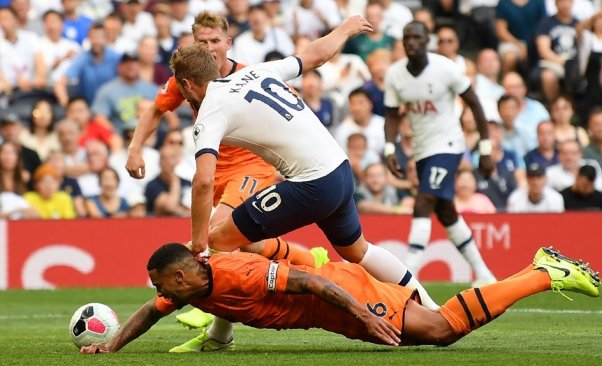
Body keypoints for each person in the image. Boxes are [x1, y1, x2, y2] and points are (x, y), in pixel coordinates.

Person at [170, 17, 440, 322]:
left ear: (187, 84)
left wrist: (199, 241)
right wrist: (345, 29)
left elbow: (204, 181)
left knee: (220, 241)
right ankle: (433, 306)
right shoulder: (258, 71)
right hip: (340, 171)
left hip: (312, 184)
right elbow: (315, 55)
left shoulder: (210, 110)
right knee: (358, 251)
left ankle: (222, 333)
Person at [124, 11, 343, 351]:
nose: (209, 48)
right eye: (202, 41)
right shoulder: (189, 78)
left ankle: (211, 323)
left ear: (228, 43)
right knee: (243, 244)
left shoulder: (247, 76)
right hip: (217, 171)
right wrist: (135, 149)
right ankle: (308, 260)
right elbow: (155, 110)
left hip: (251, 169)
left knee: (215, 237)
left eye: (214, 41)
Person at [79, 243, 601, 354]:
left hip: (340, 295)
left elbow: (315, 284)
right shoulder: (192, 287)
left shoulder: (236, 272)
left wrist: (367, 319)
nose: (157, 290)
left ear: (184, 273)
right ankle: (541, 270)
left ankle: (542, 272)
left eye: (161, 281)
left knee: (440, 331)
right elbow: (149, 313)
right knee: (437, 328)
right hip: (331, 310)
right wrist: (112, 346)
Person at [384, 21, 496, 286]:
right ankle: (484, 274)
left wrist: (486, 148)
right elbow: (390, 114)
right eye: (406, 37)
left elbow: (475, 104)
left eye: (417, 37)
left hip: (448, 145)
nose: (411, 42)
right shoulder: (394, 75)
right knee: (445, 212)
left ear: (427, 41)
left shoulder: (446, 68)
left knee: (423, 202)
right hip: (422, 150)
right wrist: (390, 147)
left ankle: (407, 277)